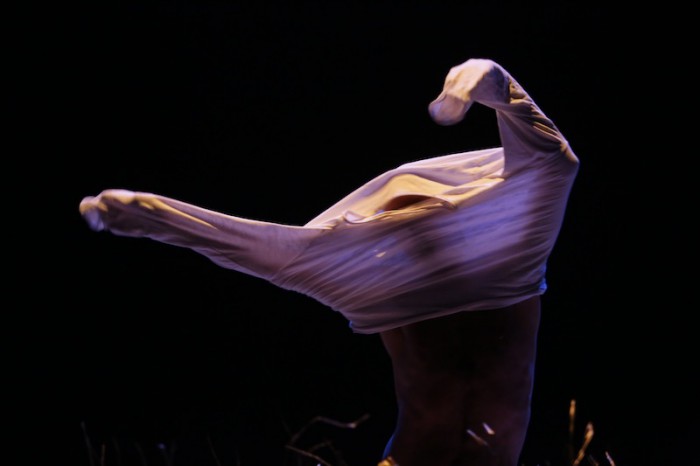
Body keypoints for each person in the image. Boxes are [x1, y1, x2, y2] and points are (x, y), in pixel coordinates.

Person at [80, 58, 579, 466]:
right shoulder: (388, 278)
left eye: (418, 218)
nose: (417, 230)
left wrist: (477, 82)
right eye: (405, 221)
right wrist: (151, 217)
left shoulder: (507, 252)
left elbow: (553, 159)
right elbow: (252, 249)